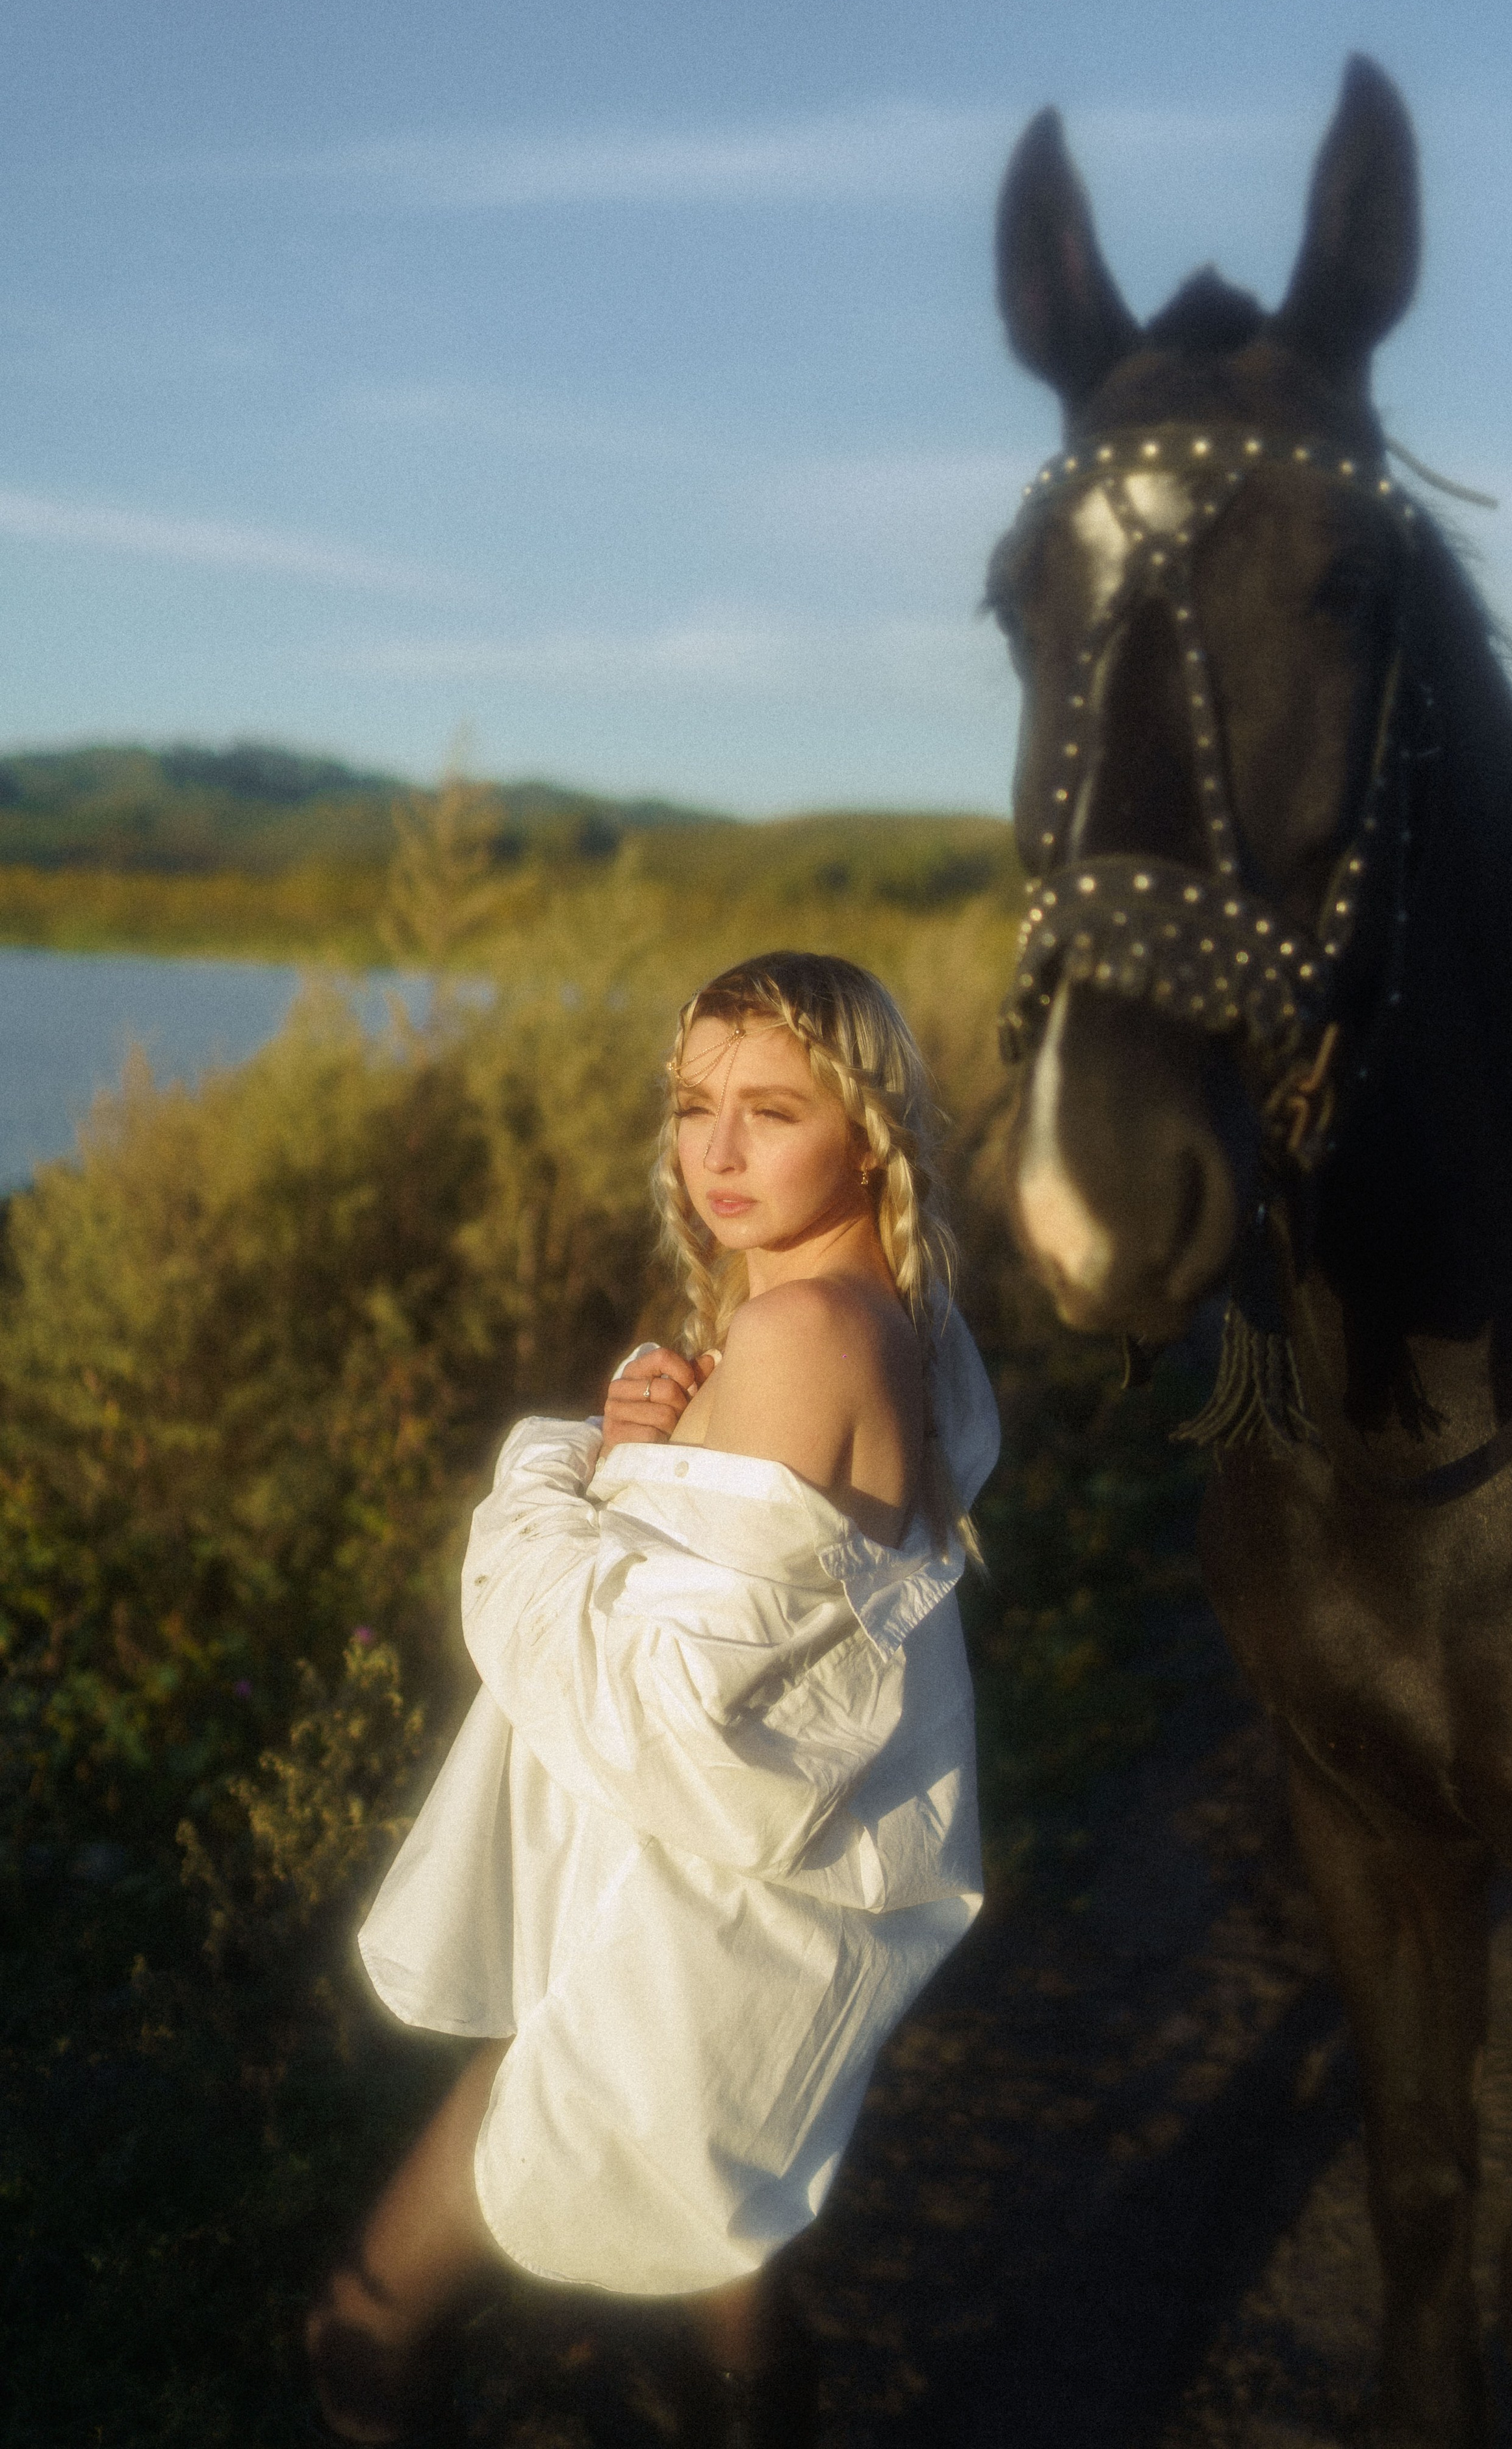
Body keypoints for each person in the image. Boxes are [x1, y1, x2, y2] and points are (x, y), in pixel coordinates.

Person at [305, 950, 1000, 2447]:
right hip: (719, 1920)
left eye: (771, 1111)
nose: (717, 1152)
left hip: (682, 1945)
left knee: (366, 2332)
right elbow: (766, 1616)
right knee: (721, 2294)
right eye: (693, 1106)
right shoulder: (881, 1312)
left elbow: (671, 1701)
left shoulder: (803, 1329)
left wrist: (563, 1473)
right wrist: (648, 1454)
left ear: (866, 1131)